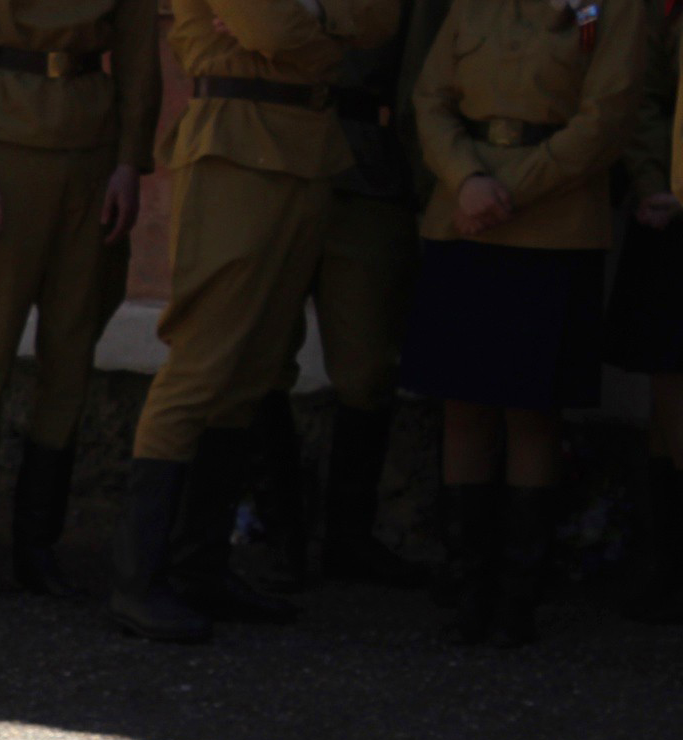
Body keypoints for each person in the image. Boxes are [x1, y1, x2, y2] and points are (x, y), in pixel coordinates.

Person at [113, 0, 402, 642]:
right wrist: (323, 34)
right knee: (201, 362)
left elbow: (381, 17)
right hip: (233, 146)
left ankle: (200, 569)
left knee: (252, 372)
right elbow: (270, 25)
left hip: (307, 150)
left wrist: (307, 15)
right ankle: (139, 580)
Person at [398, 0, 644, 644]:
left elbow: (607, 119)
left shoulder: (613, 9)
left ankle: (516, 597)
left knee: (532, 409)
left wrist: (507, 189)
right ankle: (465, 586)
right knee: (463, 403)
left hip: (552, 226)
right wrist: (468, 179)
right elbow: (430, 97)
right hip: (464, 215)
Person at [0, 0, 159, 598]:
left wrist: (131, 161)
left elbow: (137, 53)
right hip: (6, 147)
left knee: (70, 350)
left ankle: (38, 544)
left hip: (91, 147)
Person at [239, 12, 428, 590]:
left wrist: (426, 186)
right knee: (261, 351)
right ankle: (280, 531)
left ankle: (348, 537)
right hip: (270, 152)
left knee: (368, 365)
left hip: (366, 163)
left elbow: (420, 71)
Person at [604, 0, 682, 622]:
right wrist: (661, 181)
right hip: (671, 213)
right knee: (667, 392)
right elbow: (643, 93)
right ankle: (666, 564)